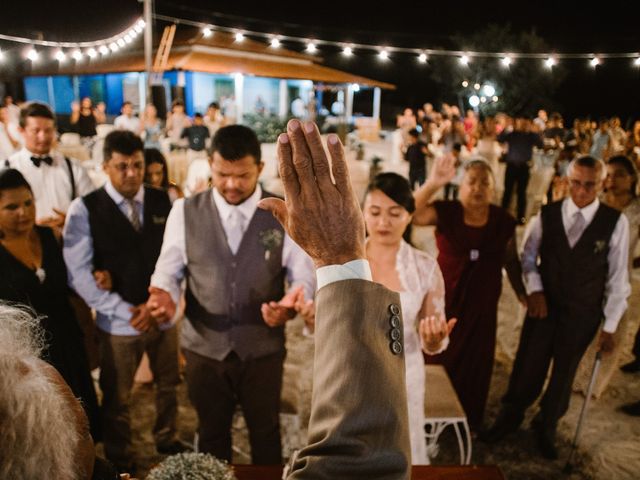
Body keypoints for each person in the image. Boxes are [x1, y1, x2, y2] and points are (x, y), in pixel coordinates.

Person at [147, 124, 315, 464]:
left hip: (263, 349)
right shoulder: (184, 211)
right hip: (203, 350)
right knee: (210, 434)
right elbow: (168, 268)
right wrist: (163, 292)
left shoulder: (282, 213)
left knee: (265, 433)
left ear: (260, 169)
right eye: (223, 174)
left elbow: (302, 276)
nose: (232, 184)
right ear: (210, 164)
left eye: (242, 175)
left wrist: (291, 303)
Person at [258, 119, 411, 478]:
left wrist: (336, 258)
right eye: (374, 212)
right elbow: (360, 460)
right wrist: (339, 257)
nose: (383, 221)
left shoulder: (420, 263)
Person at [483, 155, 630, 459]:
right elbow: (527, 257)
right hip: (544, 307)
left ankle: (546, 425)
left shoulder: (615, 222)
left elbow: (618, 278)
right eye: (576, 182)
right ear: (566, 180)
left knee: (565, 371)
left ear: (601, 184)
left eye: (590, 185)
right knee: (528, 363)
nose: (581, 191)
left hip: (583, 312)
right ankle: (510, 416)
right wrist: (534, 290)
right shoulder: (547, 215)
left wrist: (611, 325)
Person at [63, 130, 185, 472]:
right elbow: (79, 272)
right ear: (105, 166)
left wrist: (162, 302)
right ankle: (120, 456)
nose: (131, 173)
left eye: (137, 165)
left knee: (169, 386)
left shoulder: (166, 201)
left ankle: (167, 437)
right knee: (117, 396)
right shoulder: (85, 208)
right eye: (122, 166)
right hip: (118, 322)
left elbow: (181, 257)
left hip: (162, 315)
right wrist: (122, 310)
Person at [412, 156, 526, 430]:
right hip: (444, 299)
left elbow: (511, 259)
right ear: (460, 185)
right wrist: (433, 183)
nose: (477, 188)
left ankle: (466, 419)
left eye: (484, 183)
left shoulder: (503, 221)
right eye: (471, 181)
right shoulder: (446, 212)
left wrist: (523, 293)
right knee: (436, 354)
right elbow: (411, 214)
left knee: (476, 363)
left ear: (494, 189)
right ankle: (426, 416)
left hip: (482, 305)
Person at [0, 168, 101, 439]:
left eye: (27, 203)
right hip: (27, 353)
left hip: (67, 339)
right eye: (11, 207)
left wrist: (100, 275)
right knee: (42, 426)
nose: (23, 212)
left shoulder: (51, 236)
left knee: (80, 415)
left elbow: (75, 276)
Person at [363, 172, 455, 464]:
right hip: (352, 374)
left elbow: (434, 334)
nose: (383, 223)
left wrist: (433, 339)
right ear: (362, 211)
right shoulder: (344, 262)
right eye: (375, 212)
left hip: (405, 374)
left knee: (401, 452)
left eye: (394, 213)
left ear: (410, 215)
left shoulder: (425, 267)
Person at [573, 155, 640, 397]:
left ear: (631, 178)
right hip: (591, 274)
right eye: (609, 175)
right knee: (586, 326)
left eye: (619, 175)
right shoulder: (597, 203)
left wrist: (628, 260)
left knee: (613, 324)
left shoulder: (637, 209)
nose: (613, 180)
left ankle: (594, 382)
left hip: (620, 275)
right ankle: (578, 375)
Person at [5, 102, 95, 238]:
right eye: (36, 131)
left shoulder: (74, 167)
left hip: (69, 243)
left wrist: (71, 221)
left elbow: (93, 207)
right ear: (21, 131)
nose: (44, 137)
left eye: (48, 130)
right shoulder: (7, 168)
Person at [498, 117, 544, 224]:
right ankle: (502, 214)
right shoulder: (512, 134)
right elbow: (500, 138)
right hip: (511, 166)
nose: (523, 124)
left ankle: (520, 217)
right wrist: (506, 127)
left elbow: (540, 145)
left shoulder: (531, 136)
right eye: (521, 122)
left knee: (521, 193)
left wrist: (534, 131)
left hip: (524, 167)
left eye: (525, 122)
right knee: (507, 192)